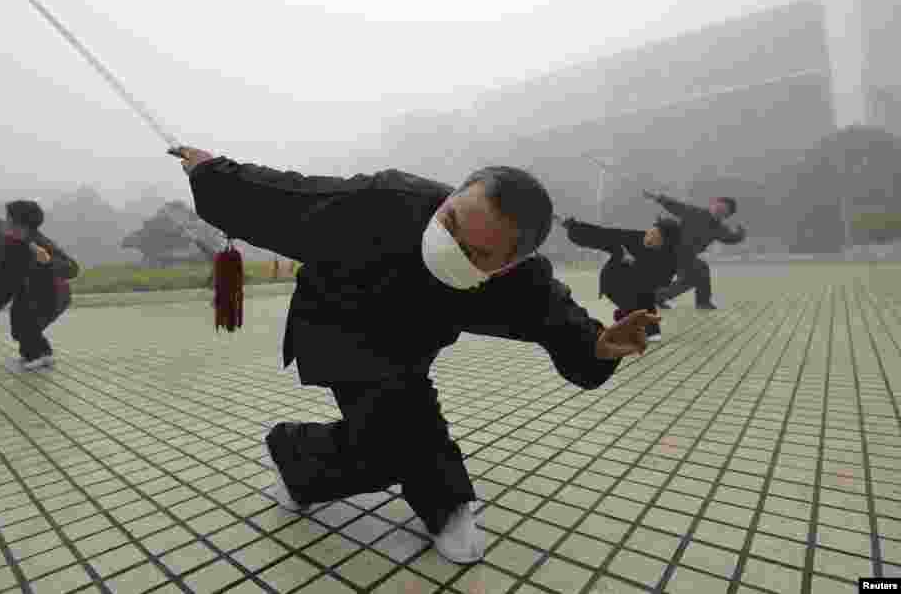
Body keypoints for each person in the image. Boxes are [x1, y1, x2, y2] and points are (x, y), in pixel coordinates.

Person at [176, 146, 659, 563]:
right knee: (398, 427)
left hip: (409, 344)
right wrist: (214, 172)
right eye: (449, 222)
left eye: (477, 254)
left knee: (400, 420)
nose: (451, 246)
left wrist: (596, 346)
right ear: (451, 197)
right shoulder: (385, 201)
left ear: (508, 264)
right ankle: (306, 453)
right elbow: (291, 196)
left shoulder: (522, 281)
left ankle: (317, 470)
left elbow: (559, 319)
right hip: (340, 323)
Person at [0, 200, 79, 369]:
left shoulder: (39, 242)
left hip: (54, 294)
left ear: (19, 222)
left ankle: (35, 356)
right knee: (20, 321)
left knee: (26, 323)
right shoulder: (12, 245)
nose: (5, 221)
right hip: (30, 292)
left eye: (8, 218)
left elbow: (72, 268)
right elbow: (5, 279)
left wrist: (49, 261)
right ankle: (43, 354)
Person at [562, 216, 683, 342]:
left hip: (641, 283)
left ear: (665, 242)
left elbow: (660, 281)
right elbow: (603, 234)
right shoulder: (634, 238)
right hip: (614, 280)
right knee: (635, 303)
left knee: (645, 298)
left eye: (655, 236)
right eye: (650, 232)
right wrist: (574, 227)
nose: (648, 236)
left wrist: (634, 263)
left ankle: (639, 324)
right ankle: (627, 320)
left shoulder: (670, 259)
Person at [643, 191, 746, 310]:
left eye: (723, 211)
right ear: (712, 204)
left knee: (692, 279)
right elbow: (675, 206)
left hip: (687, 257)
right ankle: (702, 302)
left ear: (726, 216)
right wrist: (658, 197)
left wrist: (740, 234)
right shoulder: (694, 212)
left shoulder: (719, 228)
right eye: (718, 207)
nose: (718, 211)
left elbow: (730, 238)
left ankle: (658, 296)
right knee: (700, 270)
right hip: (673, 251)